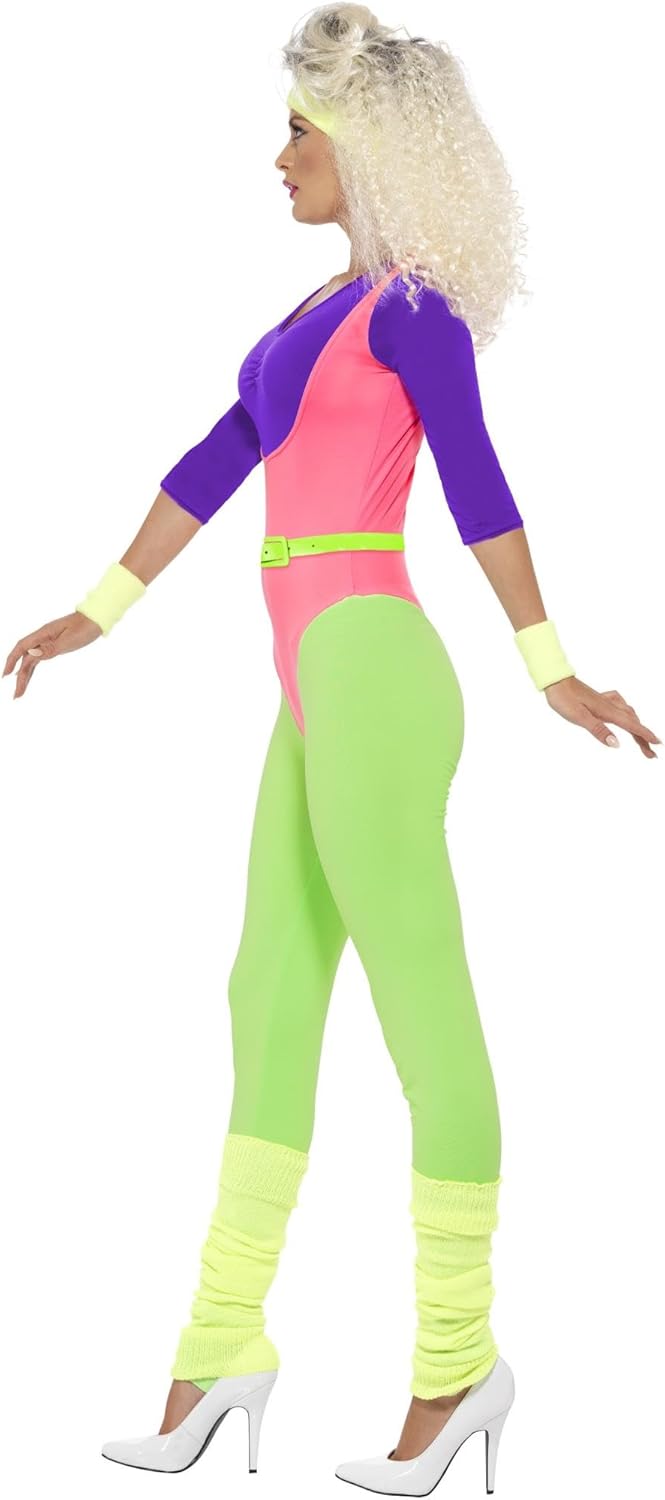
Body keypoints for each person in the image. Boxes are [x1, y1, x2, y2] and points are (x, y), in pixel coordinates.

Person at [3, 5, 660, 1493]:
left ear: (371, 150)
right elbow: (210, 463)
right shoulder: (308, 315)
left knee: (421, 1004)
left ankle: (457, 1361)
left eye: (302, 132)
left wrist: (551, 669)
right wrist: (95, 612)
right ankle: (219, 1346)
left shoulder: (413, 315)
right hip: (312, 678)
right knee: (268, 991)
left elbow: (480, 489)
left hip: (373, 665)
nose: (279, 156)